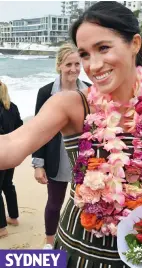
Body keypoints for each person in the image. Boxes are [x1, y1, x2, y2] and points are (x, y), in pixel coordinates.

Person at [0, 2, 142, 266]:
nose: (93, 65)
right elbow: (10, 146)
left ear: (135, 43)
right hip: (77, 250)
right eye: (84, 55)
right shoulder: (72, 105)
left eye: (103, 48)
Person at [32, 43, 91, 249]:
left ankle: (78, 242)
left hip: (85, 161)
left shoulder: (89, 91)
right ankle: (50, 243)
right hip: (56, 158)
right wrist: (38, 163)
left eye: (77, 64)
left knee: (84, 204)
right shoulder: (46, 92)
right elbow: (37, 130)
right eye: (68, 64)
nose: (74, 69)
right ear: (59, 66)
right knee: (54, 203)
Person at [0, 81, 23, 238]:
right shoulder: (12, 106)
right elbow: (20, 127)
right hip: (12, 151)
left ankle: (1, 228)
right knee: (8, 184)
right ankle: (13, 217)